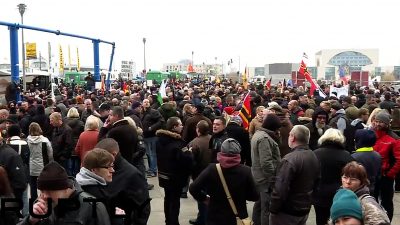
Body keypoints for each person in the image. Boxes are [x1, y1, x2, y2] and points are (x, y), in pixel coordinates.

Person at [189, 138, 259, 225]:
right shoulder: (246, 171)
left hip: (215, 217)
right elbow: (255, 196)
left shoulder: (212, 169)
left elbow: (193, 188)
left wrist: (204, 198)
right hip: (237, 217)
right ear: (238, 153)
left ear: (221, 152)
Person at [17, 161, 111, 225]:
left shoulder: (92, 206)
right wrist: (30, 221)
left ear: (65, 188)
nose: (44, 196)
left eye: (49, 191)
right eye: (42, 191)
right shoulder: (41, 204)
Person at [269, 125, 320, 225]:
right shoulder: (313, 155)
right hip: (303, 209)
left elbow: (280, 189)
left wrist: (273, 209)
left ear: (292, 137)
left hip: (287, 212)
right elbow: (317, 183)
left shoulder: (290, 159)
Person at [95, 138, 151, 225]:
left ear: (113, 154)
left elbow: (143, 207)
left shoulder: (132, 174)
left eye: (101, 156)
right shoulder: (102, 169)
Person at [156, 117, 193, 225]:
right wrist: (189, 153)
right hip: (175, 177)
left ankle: (168, 220)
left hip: (164, 175)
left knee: (167, 199)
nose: (182, 126)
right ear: (174, 127)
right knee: (175, 201)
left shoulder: (160, 140)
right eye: (180, 124)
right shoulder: (178, 143)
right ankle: (174, 222)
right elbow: (186, 160)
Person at [312, 128, 354, 225]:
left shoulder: (315, 154)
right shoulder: (346, 155)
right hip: (339, 194)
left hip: (319, 193)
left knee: (320, 219)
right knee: (337, 219)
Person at [251, 113, 282, 225]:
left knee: (259, 204)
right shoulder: (264, 138)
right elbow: (266, 163)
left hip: (259, 176)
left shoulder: (259, 134)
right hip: (265, 179)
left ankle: (255, 222)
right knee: (266, 209)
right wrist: (272, 179)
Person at [371, 110, 400, 221]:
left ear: (387, 123)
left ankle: (387, 221)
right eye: (377, 121)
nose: (378, 124)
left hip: (386, 176)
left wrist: (389, 174)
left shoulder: (394, 139)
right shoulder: (372, 134)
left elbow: (399, 160)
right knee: (372, 200)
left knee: (387, 201)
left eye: (381, 122)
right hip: (373, 175)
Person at [188, 120, 212, 225]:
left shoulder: (194, 143)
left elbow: (191, 160)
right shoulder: (214, 139)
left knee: (202, 199)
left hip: (200, 175)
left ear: (198, 130)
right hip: (213, 173)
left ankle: (202, 219)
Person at [27, 122, 54, 201]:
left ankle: (34, 200)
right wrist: (51, 162)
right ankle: (45, 199)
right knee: (45, 185)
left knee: (33, 185)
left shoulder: (27, 141)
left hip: (31, 166)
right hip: (44, 166)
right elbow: (50, 154)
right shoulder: (45, 140)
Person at [351, 129, 381, 194]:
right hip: (372, 188)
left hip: (358, 190)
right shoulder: (377, 155)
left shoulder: (354, 157)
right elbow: (378, 176)